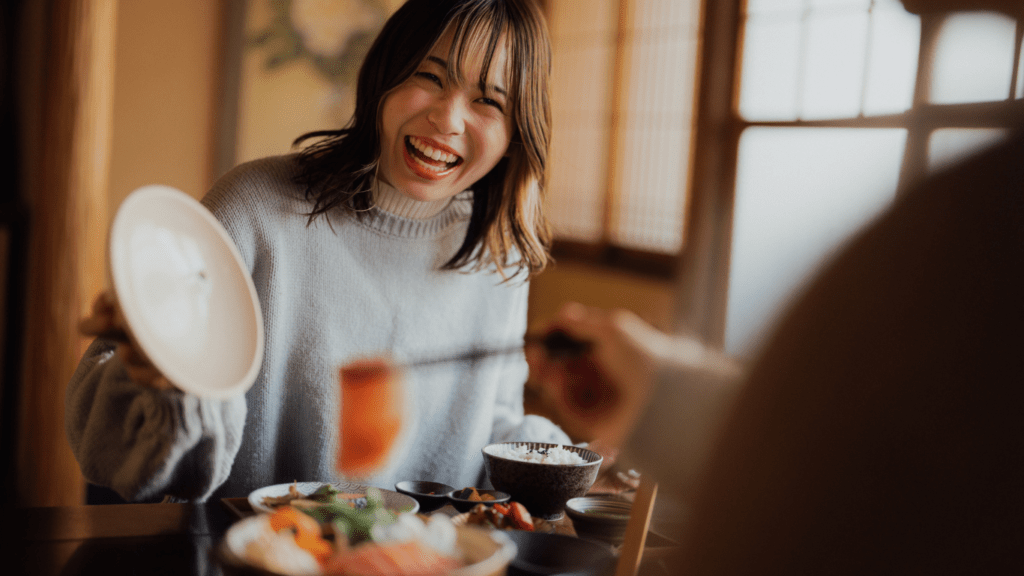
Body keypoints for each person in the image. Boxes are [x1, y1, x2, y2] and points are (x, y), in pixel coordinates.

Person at [532, 3, 1024, 573]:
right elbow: (854, 457)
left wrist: (663, 397)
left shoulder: (994, 215)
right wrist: (659, 394)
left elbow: (895, 495)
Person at [66, 0, 573, 503]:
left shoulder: (498, 255)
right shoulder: (256, 207)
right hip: (255, 550)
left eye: (489, 101)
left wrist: (569, 459)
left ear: (514, 134)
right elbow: (105, 445)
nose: (448, 119)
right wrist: (162, 380)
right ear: (384, 74)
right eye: (430, 76)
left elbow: (495, 420)